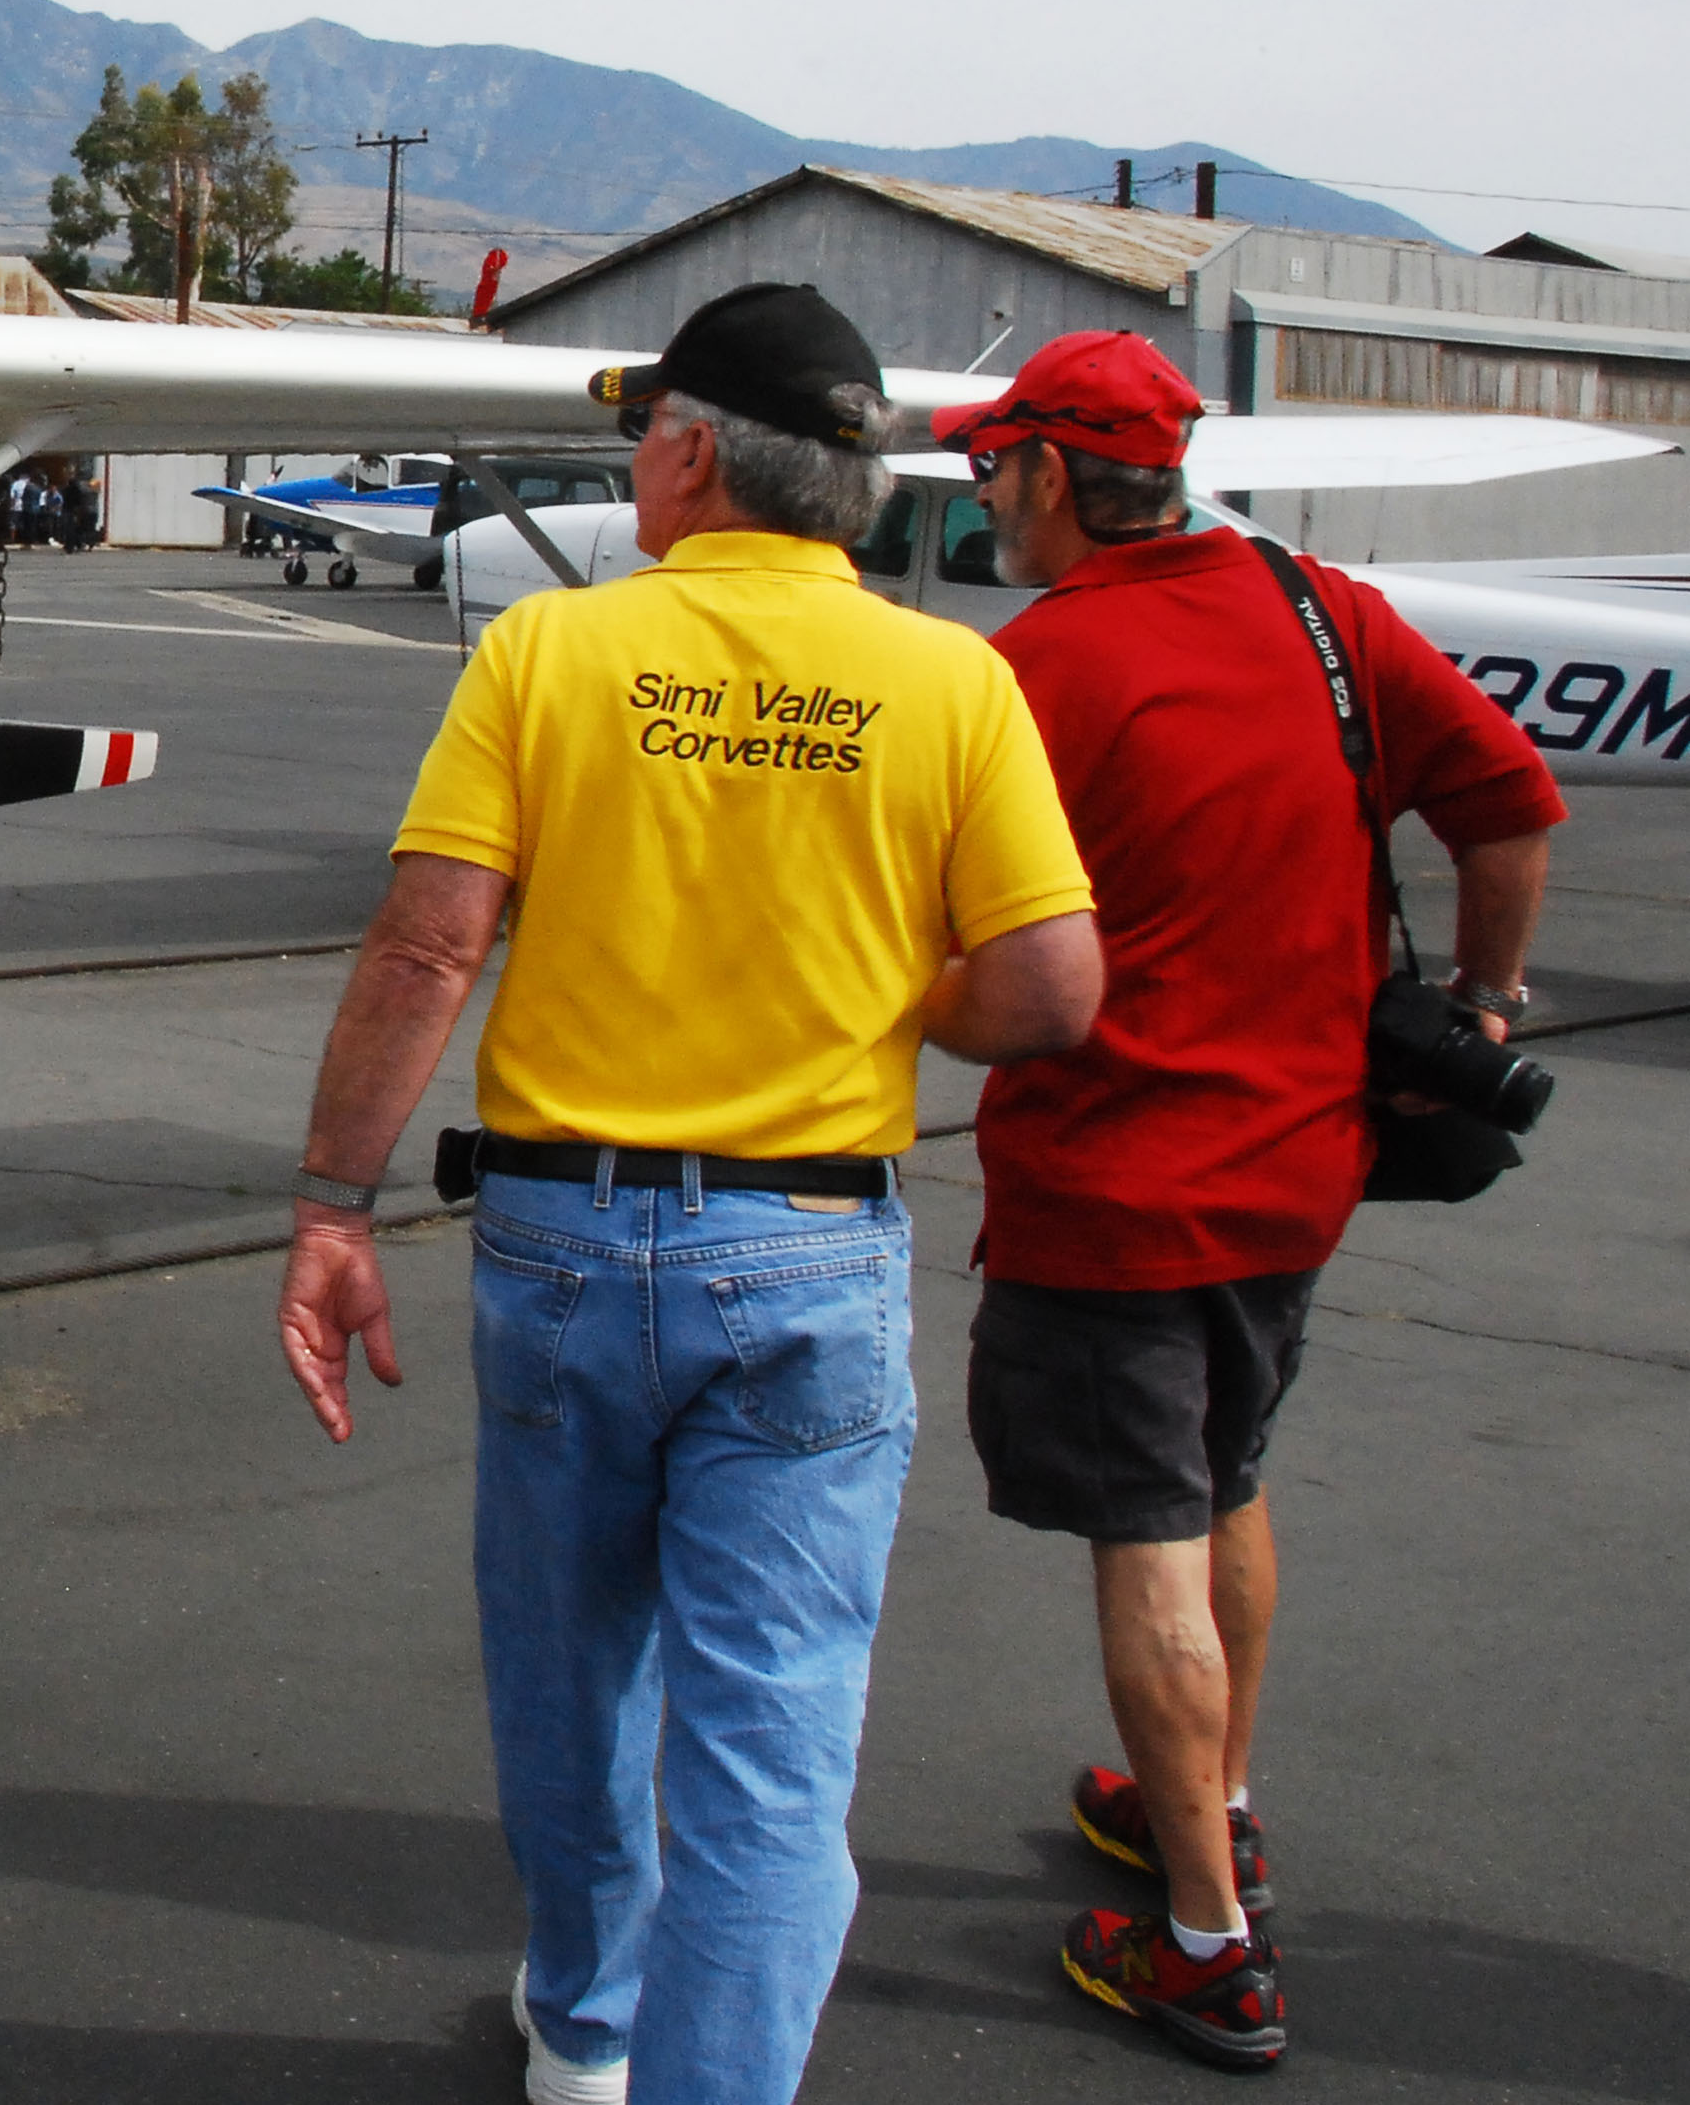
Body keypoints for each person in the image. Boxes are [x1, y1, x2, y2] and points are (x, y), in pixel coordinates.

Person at [277, 283, 1105, 2105]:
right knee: (773, 1745)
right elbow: (1052, 994)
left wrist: (335, 1207)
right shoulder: (953, 679)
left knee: (573, 1675)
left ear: (690, 455)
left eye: (648, 433)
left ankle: (586, 2025)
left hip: (566, 1242)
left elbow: (428, 947)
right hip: (806, 1251)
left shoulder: (550, 653)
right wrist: (895, 987)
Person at [944, 331, 1561, 2073]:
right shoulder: (1321, 607)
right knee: (1226, 1477)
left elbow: (945, 923)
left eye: (996, 468)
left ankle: (1209, 1945)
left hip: (1116, 1184)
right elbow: (1509, 804)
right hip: (1301, 1170)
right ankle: (1207, 1797)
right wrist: (1484, 1010)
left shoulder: (1039, 664)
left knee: (1146, 1534)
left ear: (1054, 475)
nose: (988, 497)